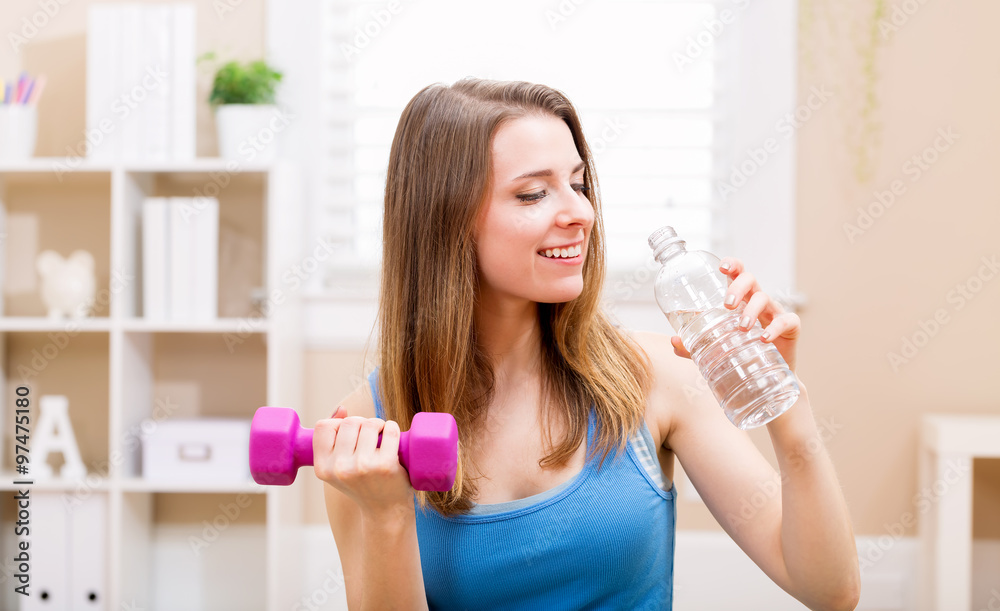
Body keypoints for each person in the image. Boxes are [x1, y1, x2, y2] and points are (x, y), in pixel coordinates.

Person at [314, 78, 861, 611]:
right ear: (444, 220)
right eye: (533, 193)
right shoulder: (368, 435)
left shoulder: (655, 377)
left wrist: (784, 402)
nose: (581, 212)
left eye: (577, 183)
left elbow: (828, 592)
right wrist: (387, 516)